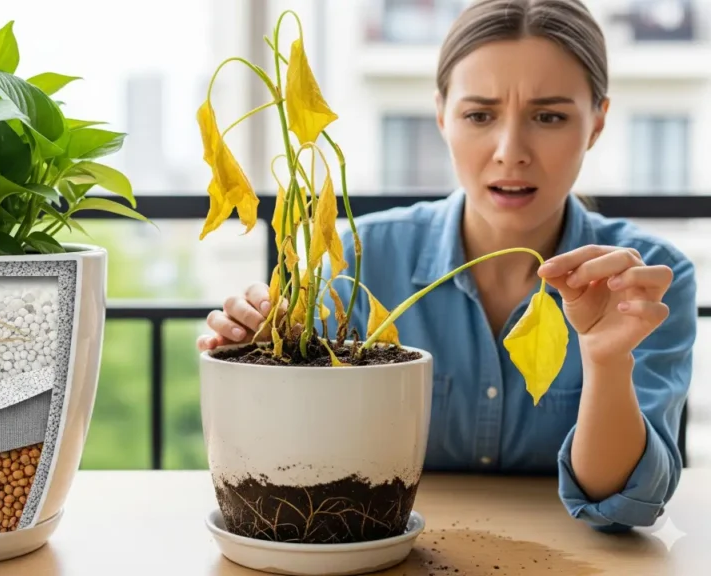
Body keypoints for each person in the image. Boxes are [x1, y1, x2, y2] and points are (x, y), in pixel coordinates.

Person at [197, 0, 696, 533]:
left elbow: (624, 500)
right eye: (479, 115)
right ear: (441, 115)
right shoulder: (353, 260)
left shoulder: (645, 280)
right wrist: (251, 346)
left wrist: (605, 358)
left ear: (597, 123)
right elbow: (286, 453)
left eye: (549, 116)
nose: (511, 151)